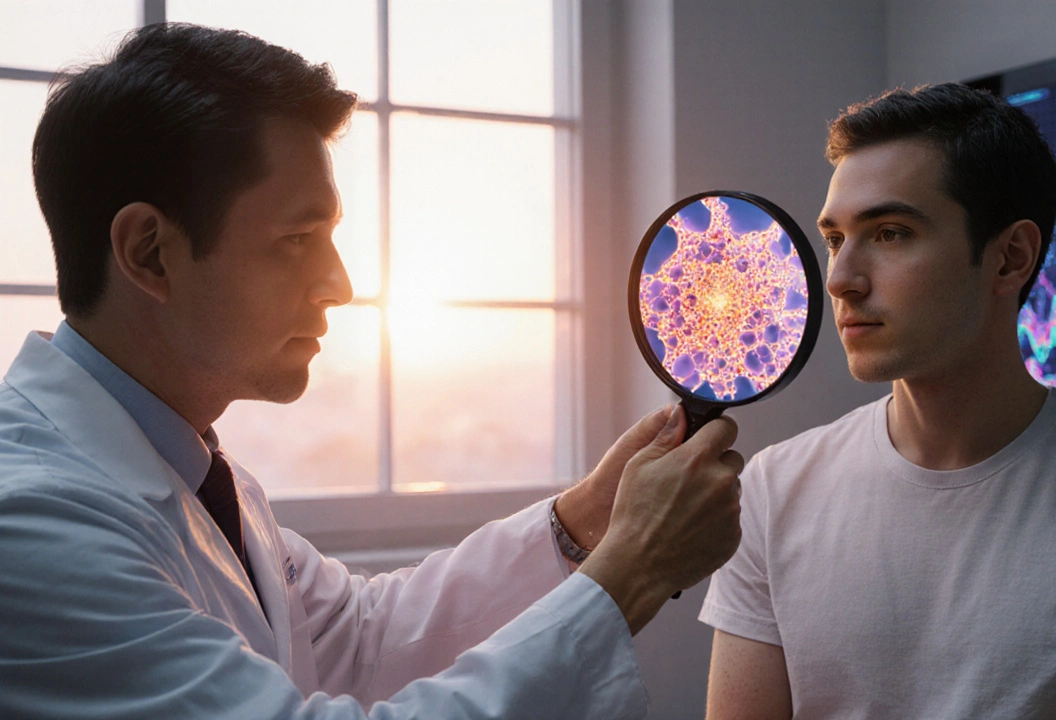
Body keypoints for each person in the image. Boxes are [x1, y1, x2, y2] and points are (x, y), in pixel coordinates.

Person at [0, 23, 745, 720]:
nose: (339, 285)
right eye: (298, 238)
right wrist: (632, 572)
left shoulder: (201, 478)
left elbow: (364, 640)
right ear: (149, 252)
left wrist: (585, 522)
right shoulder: (34, 527)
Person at [700, 83, 1056, 720]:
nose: (840, 280)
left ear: (1010, 259)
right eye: (835, 239)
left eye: (889, 233)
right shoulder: (774, 490)